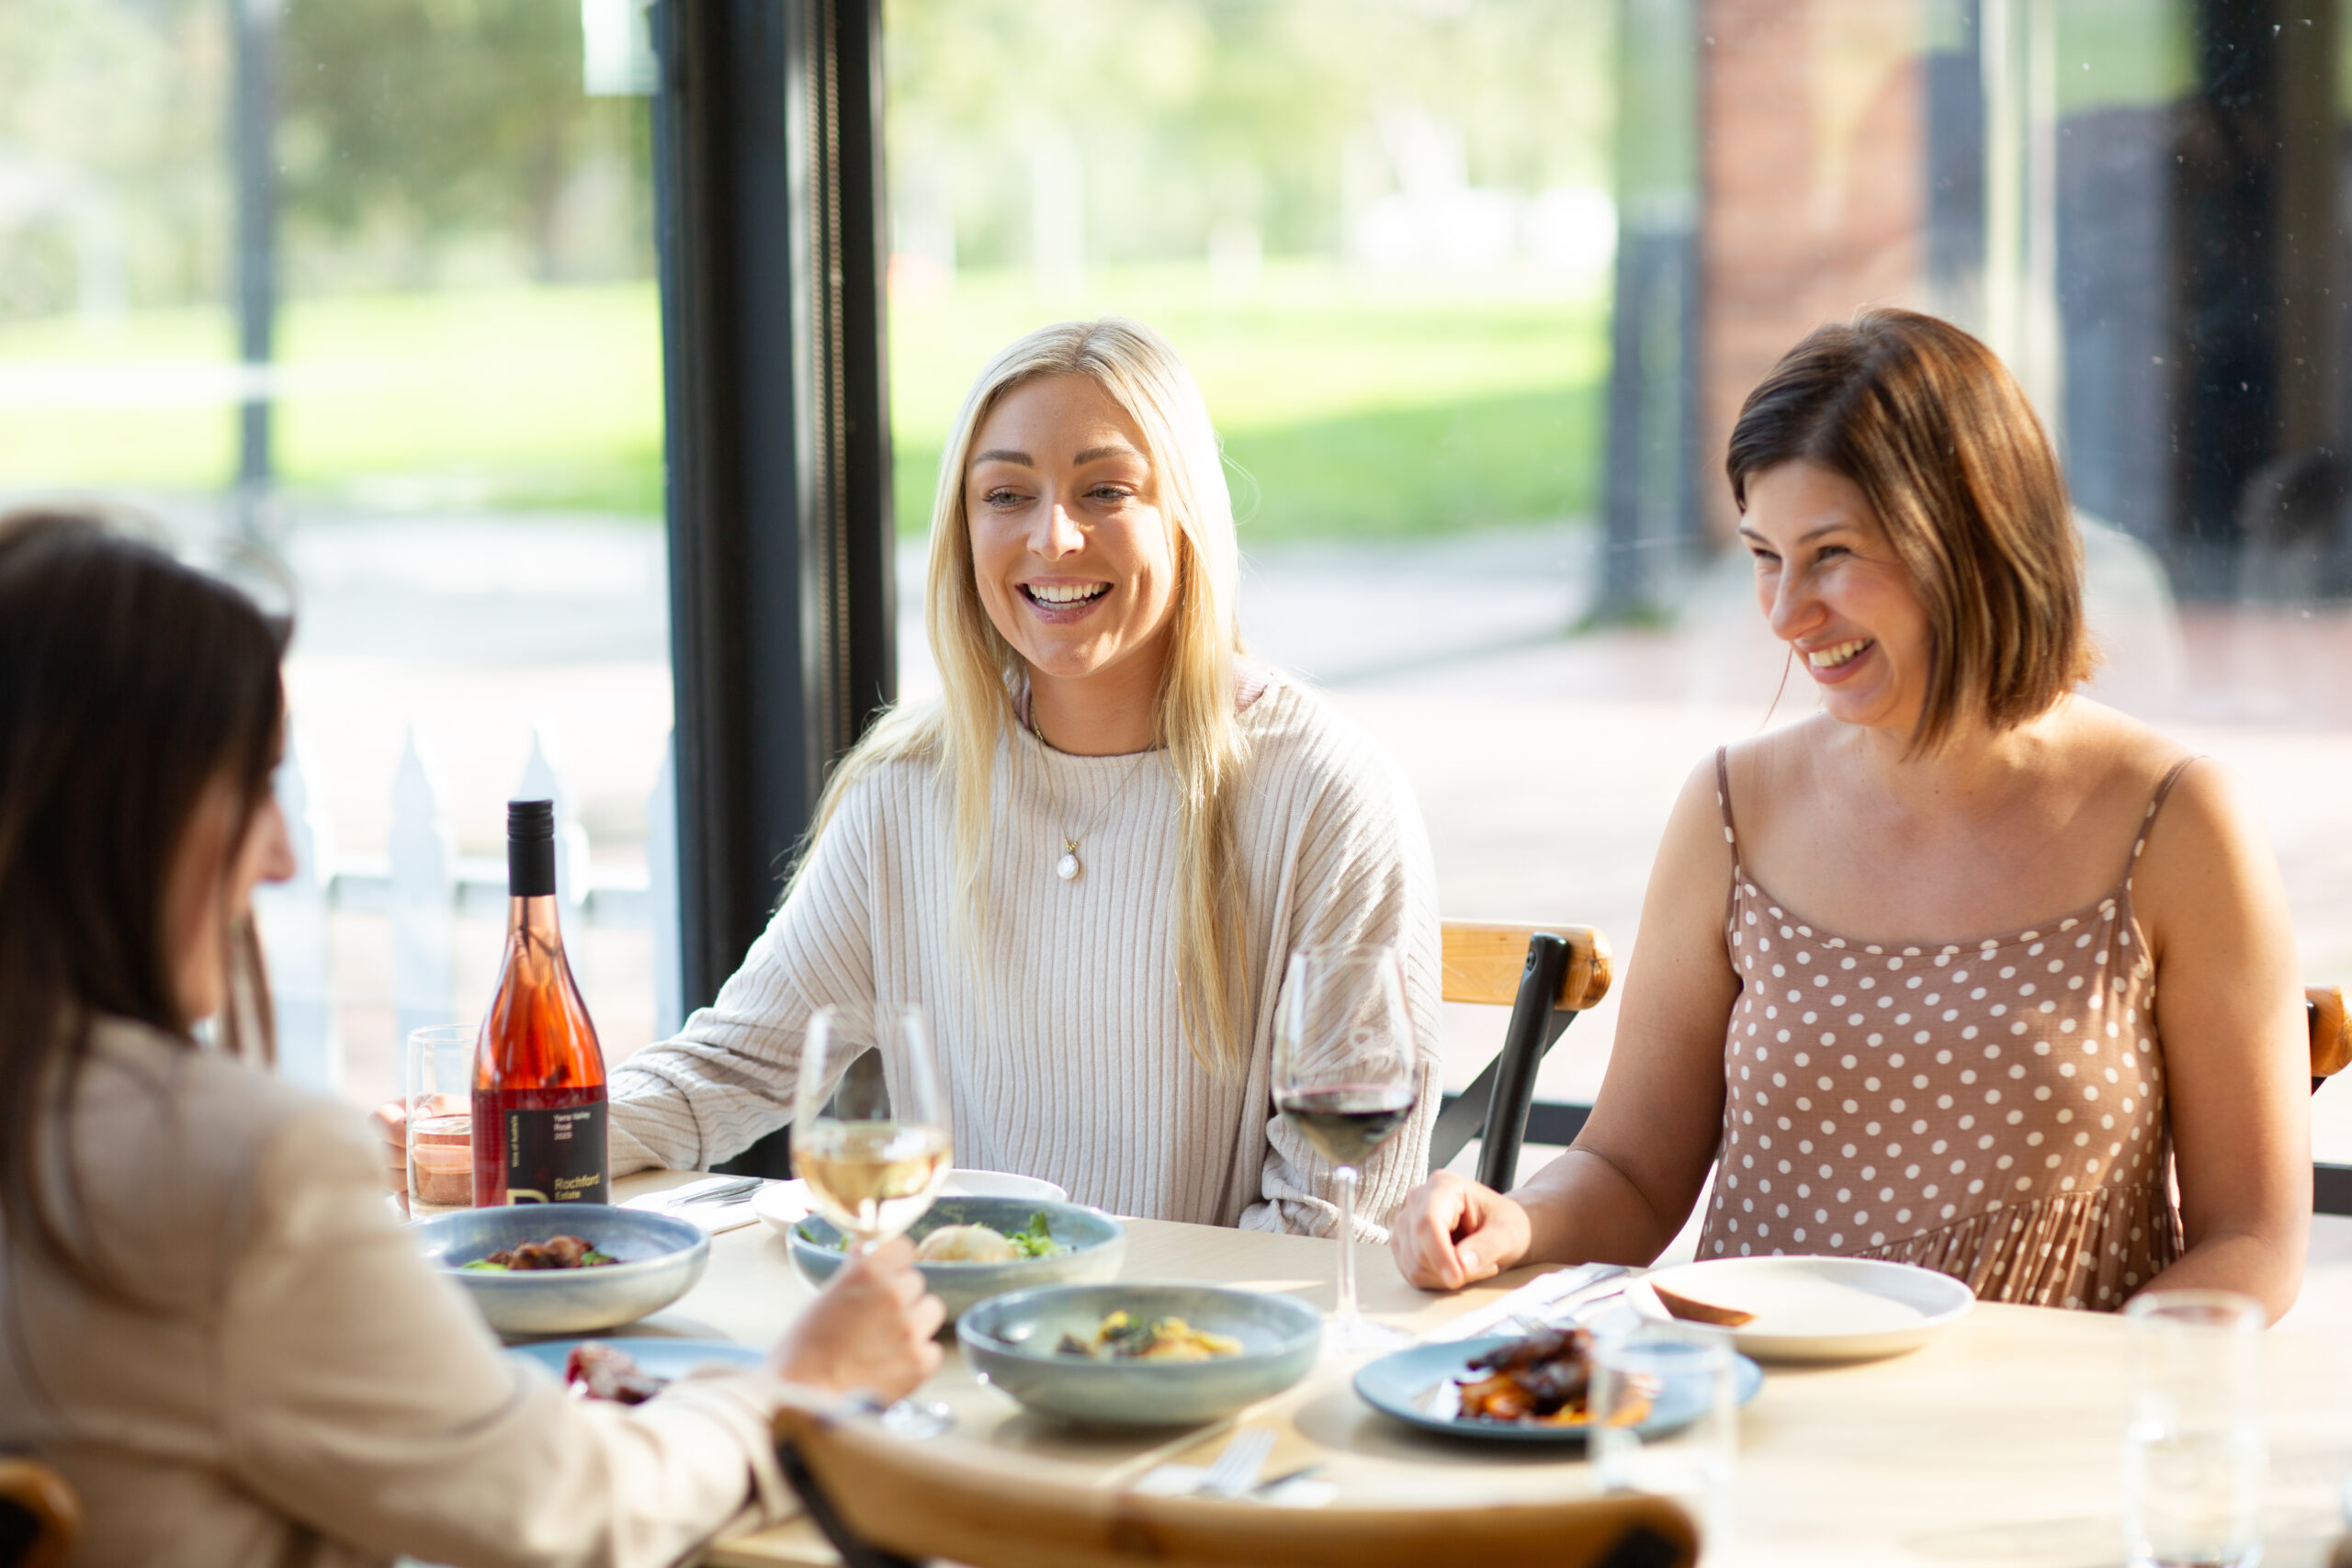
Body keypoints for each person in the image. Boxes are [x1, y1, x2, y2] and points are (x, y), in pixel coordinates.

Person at [0, 510, 946, 1568]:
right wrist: (790, 1388)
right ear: (107, 815)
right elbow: (562, 1511)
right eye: (252, 788)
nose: (277, 862)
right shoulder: (237, 1174)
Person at [1390, 309, 2311, 1317]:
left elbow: (2251, 1243)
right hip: (1748, 1408)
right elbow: (1631, 1171)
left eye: (1829, 554)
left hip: (2032, 1447)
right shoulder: (1729, 807)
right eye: (1761, 556)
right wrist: (1515, 1220)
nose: (1786, 615)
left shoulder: (2176, 823)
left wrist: (2086, 1393)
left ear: (1971, 538)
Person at [526, 317, 1443, 1236]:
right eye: (1005, 494)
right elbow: (729, 1071)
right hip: (957, 1333)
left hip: (1203, 1357)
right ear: (964, 529)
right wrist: (511, 1139)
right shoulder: (909, 785)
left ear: (1185, 516)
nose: (1053, 537)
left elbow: (1328, 1223)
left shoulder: (1326, 792)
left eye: (1106, 490)